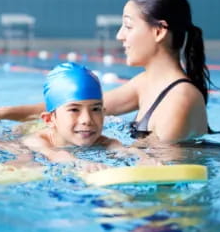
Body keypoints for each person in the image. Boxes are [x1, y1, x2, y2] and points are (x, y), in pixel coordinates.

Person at [0, 0, 210, 144]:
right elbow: (73, 105)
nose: (120, 36)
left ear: (159, 31)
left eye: (128, 27)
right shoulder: (146, 83)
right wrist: (2, 114)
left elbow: (159, 170)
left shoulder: (180, 100)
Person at [22, 62, 150, 172]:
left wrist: (144, 158)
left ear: (104, 113)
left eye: (95, 109)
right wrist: (80, 163)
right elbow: (54, 154)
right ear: (50, 119)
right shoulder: (36, 141)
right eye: (74, 110)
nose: (87, 120)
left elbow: (122, 150)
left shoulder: (104, 141)